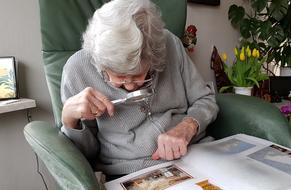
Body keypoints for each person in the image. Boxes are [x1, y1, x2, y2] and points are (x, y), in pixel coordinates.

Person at [60, 0, 219, 177]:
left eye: (138, 76)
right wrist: (69, 120)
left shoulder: (170, 45)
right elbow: (86, 154)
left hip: (196, 154)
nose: (129, 85)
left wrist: (187, 127)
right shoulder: (77, 69)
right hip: (133, 172)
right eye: (119, 77)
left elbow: (205, 100)